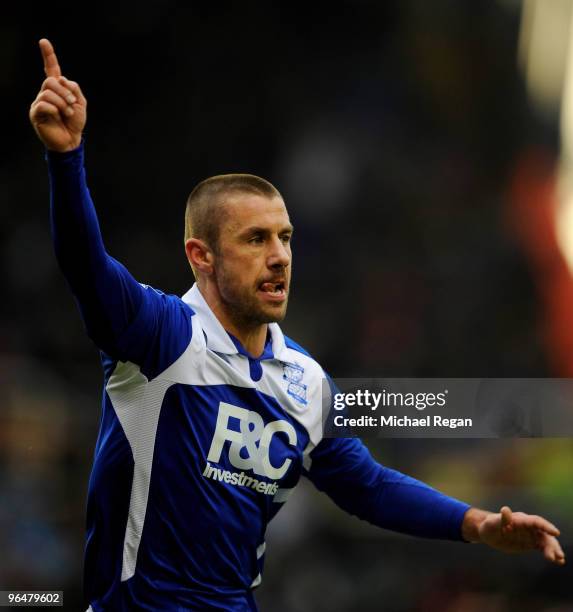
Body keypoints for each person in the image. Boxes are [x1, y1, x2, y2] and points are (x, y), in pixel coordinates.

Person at [29, 39, 565, 612]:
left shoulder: (305, 381)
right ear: (201, 255)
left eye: (285, 237)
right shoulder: (160, 335)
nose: (280, 255)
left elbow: (370, 487)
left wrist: (477, 523)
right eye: (255, 239)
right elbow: (86, 268)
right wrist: (66, 159)